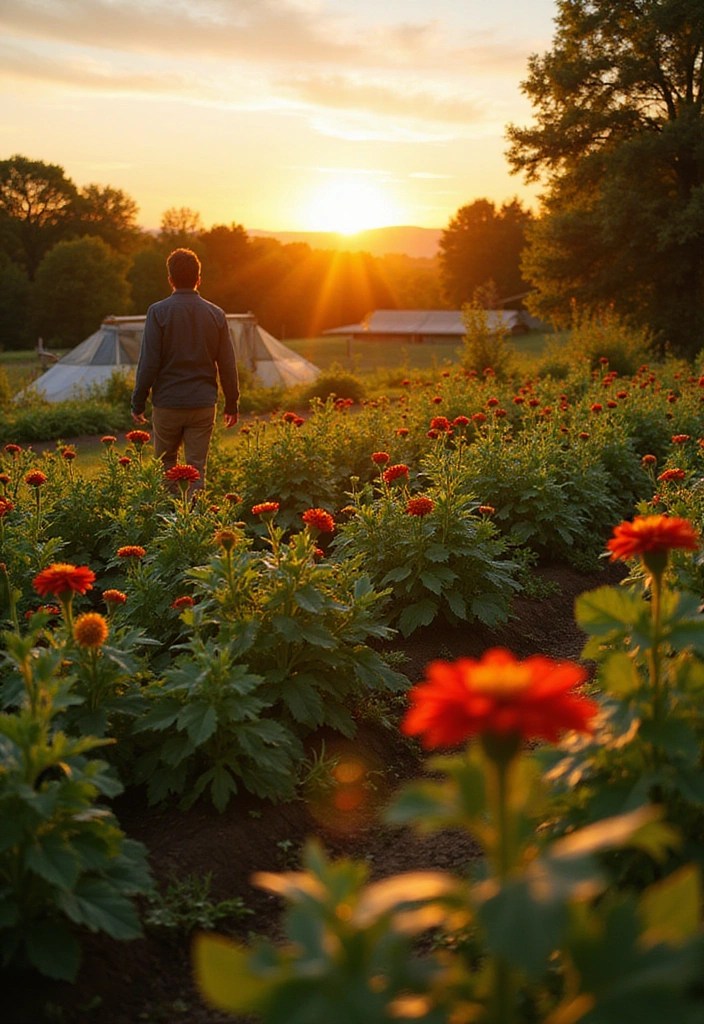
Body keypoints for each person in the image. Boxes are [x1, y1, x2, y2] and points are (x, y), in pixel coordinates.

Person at [131, 247, 239, 493]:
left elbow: (149, 362)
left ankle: (170, 521)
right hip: (202, 404)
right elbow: (227, 364)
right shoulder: (216, 314)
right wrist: (232, 403)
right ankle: (194, 521)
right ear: (199, 279)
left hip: (167, 403)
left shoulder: (157, 312)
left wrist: (138, 402)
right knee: (196, 468)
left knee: (166, 465)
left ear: (170, 280)